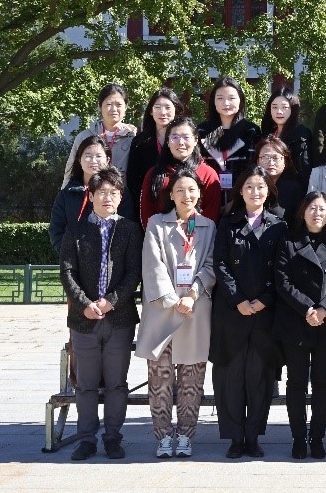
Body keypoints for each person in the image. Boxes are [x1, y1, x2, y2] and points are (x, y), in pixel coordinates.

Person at [58, 166, 142, 461]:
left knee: (117, 383)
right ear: (91, 196)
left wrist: (111, 301)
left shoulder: (130, 230)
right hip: (84, 319)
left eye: (113, 193)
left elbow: (134, 273)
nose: (108, 197)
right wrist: (85, 303)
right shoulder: (76, 230)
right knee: (86, 384)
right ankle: (86, 440)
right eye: (102, 192)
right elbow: (67, 272)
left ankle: (113, 438)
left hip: (119, 318)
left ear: (120, 197)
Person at [137, 167, 217, 459]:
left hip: (195, 310)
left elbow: (211, 265)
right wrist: (174, 300)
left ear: (200, 194)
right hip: (163, 311)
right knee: (159, 378)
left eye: (192, 190)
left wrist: (193, 294)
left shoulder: (208, 226)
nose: (186, 195)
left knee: (192, 378)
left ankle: (185, 435)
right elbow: (152, 264)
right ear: (170, 194)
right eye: (180, 190)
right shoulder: (157, 224)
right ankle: (162, 436)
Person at [211, 166, 288, 459]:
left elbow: (282, 267)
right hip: (232, 312)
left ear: (269, 191)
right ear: (240, 191)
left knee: (259, 377)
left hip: (264, 312)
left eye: (261, 187)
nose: (255, 192)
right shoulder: (227, 224)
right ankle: (234, 438)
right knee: (230, 377)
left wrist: (264, 299)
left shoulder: (279, 226)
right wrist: (238, 299)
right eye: (249, 187)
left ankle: (253, 436)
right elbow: (220, 264)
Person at [275, 192, 326, 459]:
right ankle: (298, 438)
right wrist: (307, 308)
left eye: (322, 209)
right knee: (296, 382)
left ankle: (317, 438)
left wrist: (323, 309)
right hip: (295, 321)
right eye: (312, 208)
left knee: (322, 383)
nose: (317, 214)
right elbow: (282, 281)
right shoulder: (288, 241)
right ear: (302, 211)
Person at [139, 116, 222, 228]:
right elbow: (146, 212)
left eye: (186, 137)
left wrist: (189, 234)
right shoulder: (154, 173)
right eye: (175, 137)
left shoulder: (208, 174)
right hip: (160, 235)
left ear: (195, 140)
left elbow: (211, 214)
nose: (181, 142)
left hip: (199, 236)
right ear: (167, 141)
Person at [125, 88, 185, 224]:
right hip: (149, 206)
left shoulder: (185, 140)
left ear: (176, 110)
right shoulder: (140, 142)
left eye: (167, 107)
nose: (162, 112)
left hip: (181, 204)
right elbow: (133, 180)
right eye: (157, 107)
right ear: (151, 111)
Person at [198, 76, 261, 202]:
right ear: (213, 101)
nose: (226, 103)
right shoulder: (203, 131)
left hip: (242, 200)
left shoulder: (250, 131)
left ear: (240, 100)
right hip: (208, 199)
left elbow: (254, 169)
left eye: (231, 98)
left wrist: (236, 201)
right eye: (220, 98)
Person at [49, 135, 112, 255]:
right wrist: (70, 255)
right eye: (88, 156)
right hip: (74, 260)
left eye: (98, 156)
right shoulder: (67, 194)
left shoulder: (118, 192)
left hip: (110, 261)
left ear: (107, 160)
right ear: (79, 160)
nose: (93, 160)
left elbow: (127, 229)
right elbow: (56, 229)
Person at [63, 83, 136, 179]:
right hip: (90, 188)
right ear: (100, 107)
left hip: (122, 189)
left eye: (119, 105)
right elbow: (70, 172)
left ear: (126, 107)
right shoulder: (84, 137)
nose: (114, 109)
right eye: (108, 104)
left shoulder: (133, 137)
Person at [261, 87, 312, 178]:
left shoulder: (301, 135)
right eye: (275, 107)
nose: (279, 111)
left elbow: (304, 169)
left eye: (284, 107)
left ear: (293, 109)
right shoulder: (268, 133)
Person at [253, 135, 305, 224]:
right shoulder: (249, 185)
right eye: (265, 157)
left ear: (285, 161)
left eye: (276, 158)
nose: (271, 162)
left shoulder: (294, 189)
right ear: (258, 161)